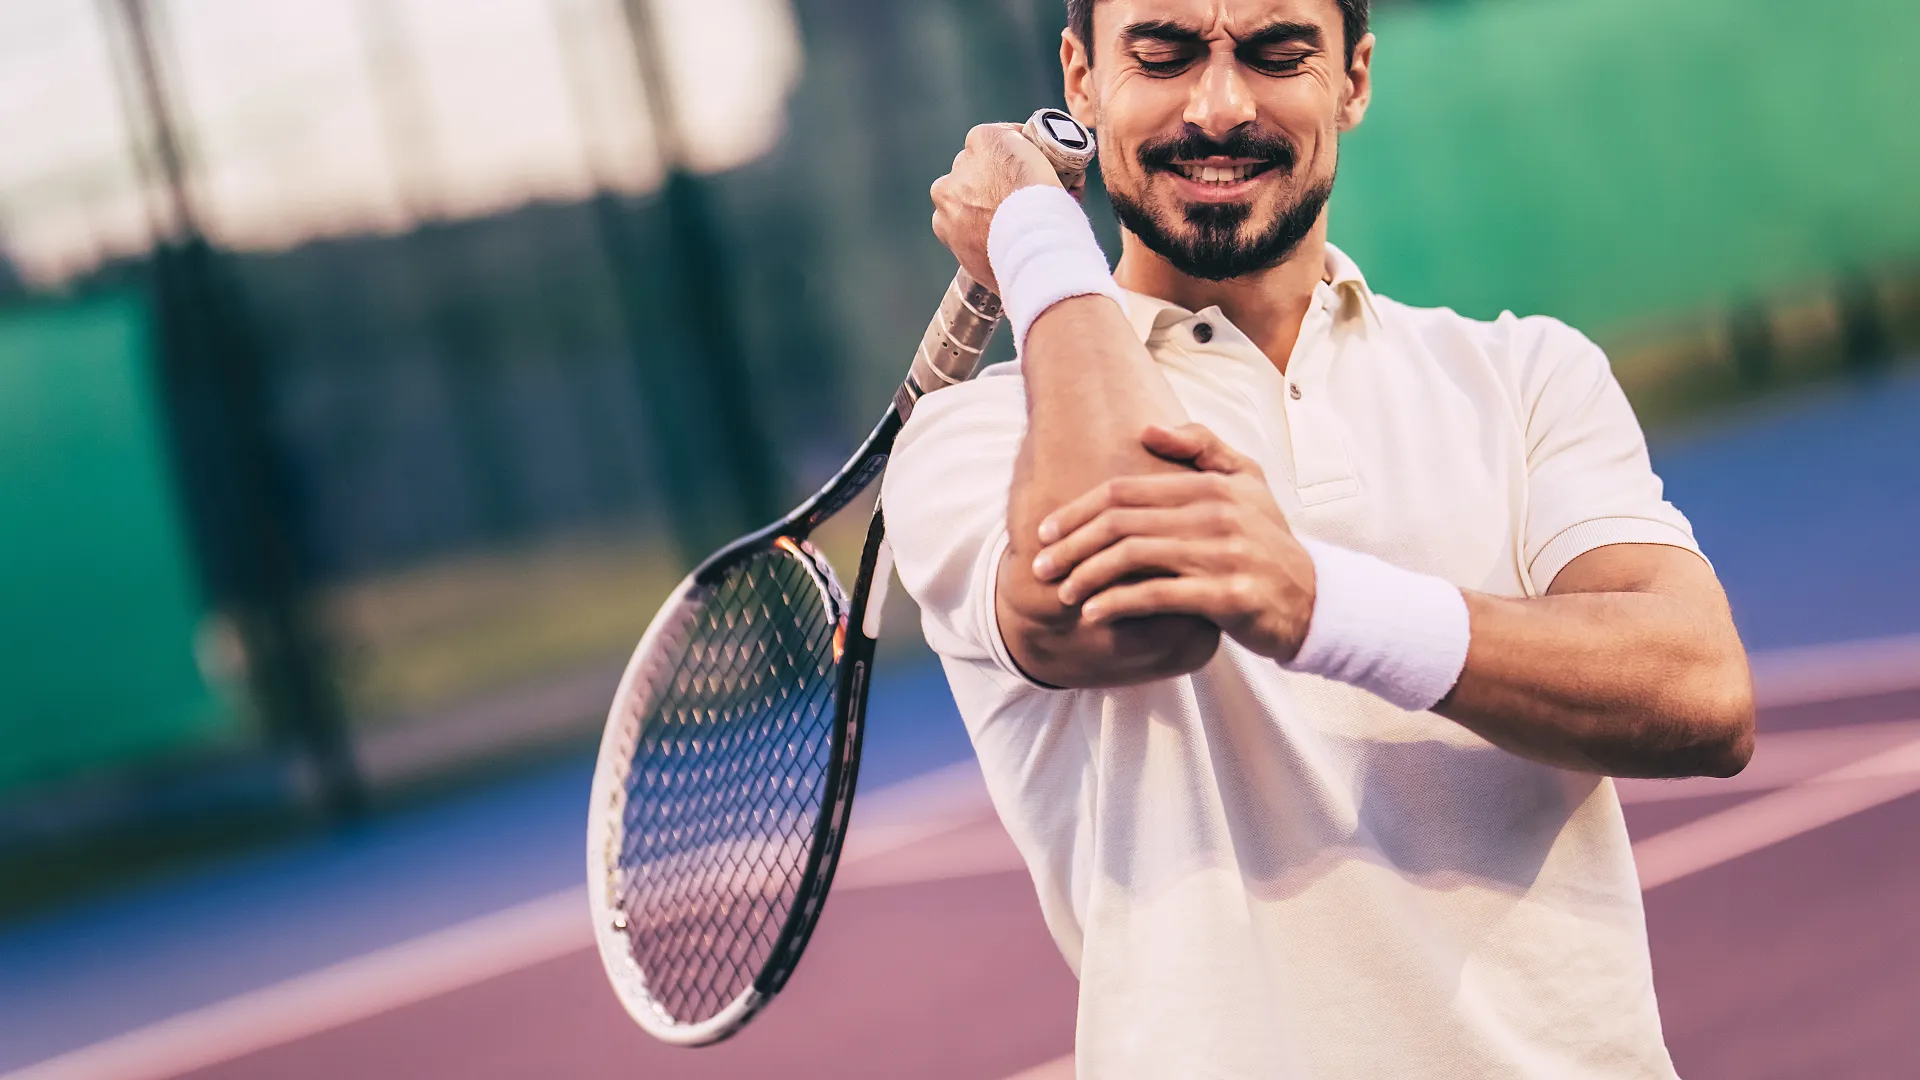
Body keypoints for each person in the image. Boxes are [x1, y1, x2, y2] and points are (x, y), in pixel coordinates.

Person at [883, 0, 1757, 1075]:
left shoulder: (1526, 374)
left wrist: (1317, 603)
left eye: (1276, 52)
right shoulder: (973, 441)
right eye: (1160, 54)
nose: (1218, 106)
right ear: (1082, 76)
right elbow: (1136, 617)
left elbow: (1704, 697)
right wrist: (1037, 244)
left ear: (1352, 80)